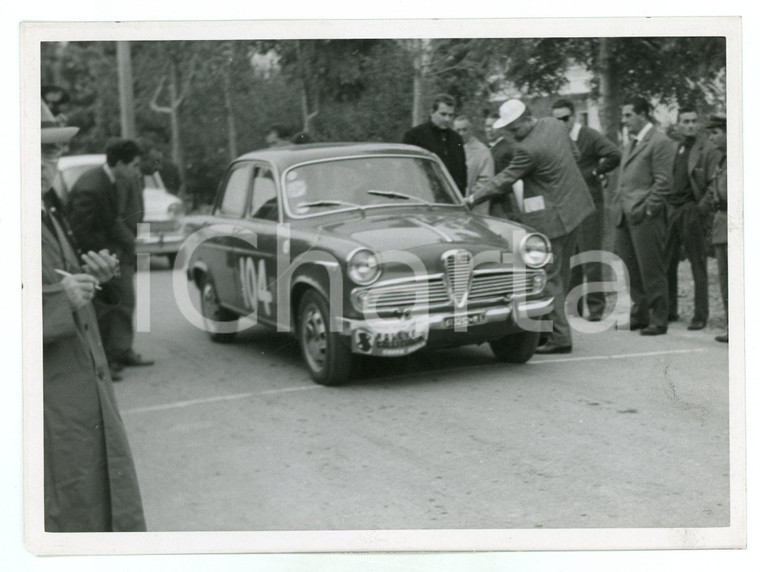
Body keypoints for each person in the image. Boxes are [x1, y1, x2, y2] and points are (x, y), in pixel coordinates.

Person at [41, 101, 146, 532]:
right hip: (49, 409)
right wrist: (59, 298)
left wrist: (88, 277)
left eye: (53, 151)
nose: (53, 161)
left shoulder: (41, 210)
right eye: (43, 151)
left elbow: (53, 278)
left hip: (74, 396)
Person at [466, 99, 595, 354]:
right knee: (562, 274)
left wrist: (471, 199)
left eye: (514, 130)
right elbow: (576, 154)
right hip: (577, 208)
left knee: (549, 276)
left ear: (526, 119)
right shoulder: (555, 125)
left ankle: (560, 337)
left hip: (553, 218)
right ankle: (555, 327)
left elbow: (503, 180)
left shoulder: (528, 150)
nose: (513, 136)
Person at [67, 138, 155, 379]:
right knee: (106, 309)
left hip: (112, 253)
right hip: (99, 258)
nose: (137, 171)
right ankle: (105, 360)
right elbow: (81, 230)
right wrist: (103, 258)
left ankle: (119, 352)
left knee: (123, 302)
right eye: (134, 165)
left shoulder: (110, 179)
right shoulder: (92, 186)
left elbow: (113, 220)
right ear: (119, 163)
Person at [551, 98, 621, 322]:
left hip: (590, 205)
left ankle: (596, 307)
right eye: (557, 119)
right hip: (569, 206)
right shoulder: (558, 140)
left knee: (591, 256)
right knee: (572, 257)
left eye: (564, 118)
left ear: (573, 116)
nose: (561, 123)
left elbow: (613, 154)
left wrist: (594, 172)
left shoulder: (588, 136)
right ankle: (574, 306)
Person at [613, 96, 677, 336]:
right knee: (631, 269)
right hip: (625, 215)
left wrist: (649, 208)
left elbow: (663, 181)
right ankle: (639, 314)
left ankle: (658, 318)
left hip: (645, 216)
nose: (625, 120)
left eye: (629, 115)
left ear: (642, 114)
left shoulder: (659, 141)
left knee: (651, 268)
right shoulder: (631, 144)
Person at [664, 106, 720, 330]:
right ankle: (670, 310)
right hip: (673, 210)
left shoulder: (706, 149)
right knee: (667, 262)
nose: (690, 125)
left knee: (698, 265)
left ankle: (700, 315)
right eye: (685, 121)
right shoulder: (675, 147)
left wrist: (699, 210)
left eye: (693, 121)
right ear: (678, 124)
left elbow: (712, 183)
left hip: (692, 211)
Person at [402, 94, 467, 194]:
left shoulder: (456, 139)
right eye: (443, 114)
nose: (447, 119)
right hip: (424, 196)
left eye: (450, 115)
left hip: (451, 198)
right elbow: (406, 170)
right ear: (432, 113)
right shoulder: (414, 135)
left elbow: (462, 173)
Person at [706, 113, 728, 343]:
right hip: (722, 222)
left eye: (715, 133)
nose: (711, 138)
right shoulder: (721, 160)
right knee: (725, 279)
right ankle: (733, 326)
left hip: (735, 221)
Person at [453, 115, 494, 214]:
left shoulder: (482, 151)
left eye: (464, 130)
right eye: (458, 130)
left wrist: (470, 198)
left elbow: (486, 181)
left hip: (473, 208)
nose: (461, 133)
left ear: (471, 130)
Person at [483, 111, 520, 219]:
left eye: (492, 126)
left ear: (501, 128)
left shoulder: (508, 149)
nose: (489, 130)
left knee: (514, 232)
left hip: (504, 204)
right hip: (487, 204)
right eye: (487, 126)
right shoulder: (484, 148)